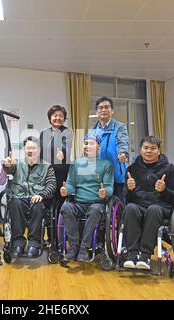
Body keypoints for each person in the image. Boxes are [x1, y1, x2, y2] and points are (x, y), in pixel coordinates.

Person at [122, 136, 174, 270]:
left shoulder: (170, 170)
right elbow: (127, 199)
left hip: (160, 208)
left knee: (153, 210)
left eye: (153, 148)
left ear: (159, 151)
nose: (149, 151)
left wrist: (164, 190)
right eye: (146, 148)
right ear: (140, 150)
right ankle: (132, 254)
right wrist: (130, 190)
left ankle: (145, 256)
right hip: (139, 206)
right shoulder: (132, 169)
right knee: (130, 208)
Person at [59, 134, 113, 262]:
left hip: (96, 203)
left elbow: (109, 187)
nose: (88, 146)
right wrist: (66, 190)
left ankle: (84, 248)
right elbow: (71, 184)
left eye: (92, 143)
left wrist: (105, 192)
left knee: (94, 210)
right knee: (66, 207)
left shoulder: (106, 165)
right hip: (78, 202)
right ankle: (73, 247)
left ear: (99, 146)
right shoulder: (76, 164)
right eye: (86, 143)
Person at [3, 136, 56, 258]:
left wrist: (41, 194)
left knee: (38, 206)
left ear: (39, 149)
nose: (30, 150)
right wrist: (7, 165)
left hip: (37, 199)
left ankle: (34, 243)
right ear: (24, 149)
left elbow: (52, 184)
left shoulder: (47, 167)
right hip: (19, 198)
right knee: (14, 203)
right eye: (28, 148)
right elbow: (9, 169)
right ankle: (18, 242)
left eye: (33, 147)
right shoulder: (17, 163)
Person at [89, 96, 129, 201]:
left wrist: (123, 153)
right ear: (96, 111)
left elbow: (123, 142)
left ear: (112, 111)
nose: (103, 110)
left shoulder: (120, 127)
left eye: (106, 107)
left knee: (118, 205)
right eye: (100, 107)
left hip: (116, 172)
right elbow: (87, 149)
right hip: (98, 174)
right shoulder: (92, 130)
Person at [40, 105, 73, 211]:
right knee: (46, 195)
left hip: (61, 169)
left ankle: (59, 224)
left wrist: (62, 153)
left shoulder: (67, 132)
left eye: (61, 116)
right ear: (50, 118)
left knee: (59, 197)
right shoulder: (44, 133)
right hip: (46, 169)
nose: (58, 118)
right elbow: (39, 150)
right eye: (55, 115)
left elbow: (65, 146)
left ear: (64, 119)